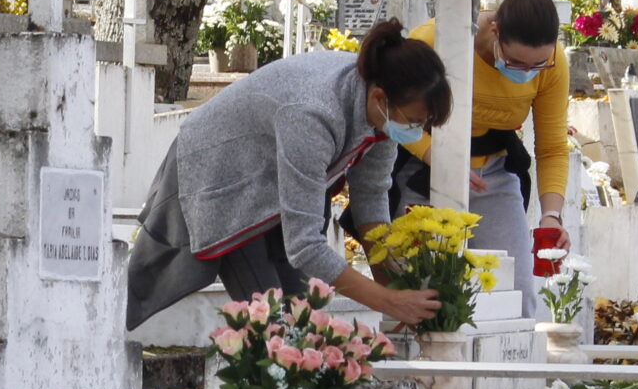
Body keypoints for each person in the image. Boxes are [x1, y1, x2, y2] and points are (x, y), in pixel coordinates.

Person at [127, 18, 449, 329]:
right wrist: (389, 302)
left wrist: (393, 284)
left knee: (305, 320)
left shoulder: (379, 108)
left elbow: (370, 200)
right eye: (414, 121)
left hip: (272, 181)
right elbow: (305, 245)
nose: (416, 132)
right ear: (381, 98)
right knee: (276, 329)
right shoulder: (313, 112)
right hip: (225, 179)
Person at [392, 0, 568, 286]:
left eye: (539, 65)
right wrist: (441, 161)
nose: (528, 73)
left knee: (515, 289)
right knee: (420, 284)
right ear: (495, 31)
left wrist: (551, 216)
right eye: (516, 63)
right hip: (424, 167)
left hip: (494, 174)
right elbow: (393, 115)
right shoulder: (435, 40)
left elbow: (552, 146)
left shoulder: (554, 64)